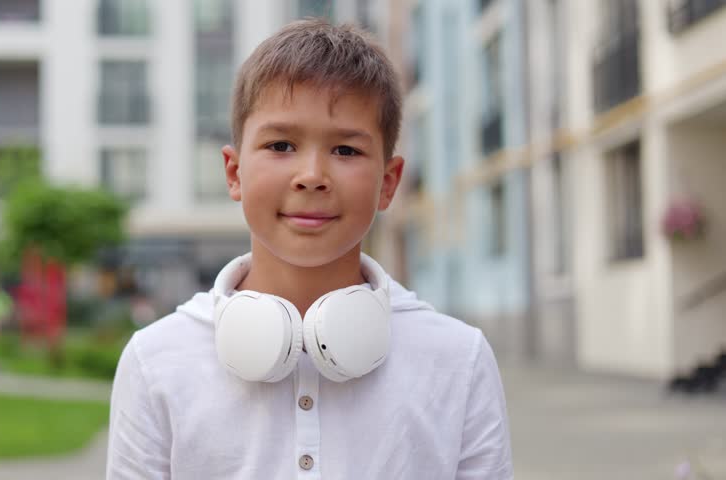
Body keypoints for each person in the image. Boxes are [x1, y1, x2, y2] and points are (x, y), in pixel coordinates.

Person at [107, 19, 513, 479]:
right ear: (234, 173)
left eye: (346, 151)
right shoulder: (156, 360)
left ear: (388, 182)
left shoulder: (459, 360)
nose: (312, 176)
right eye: (281, 145)